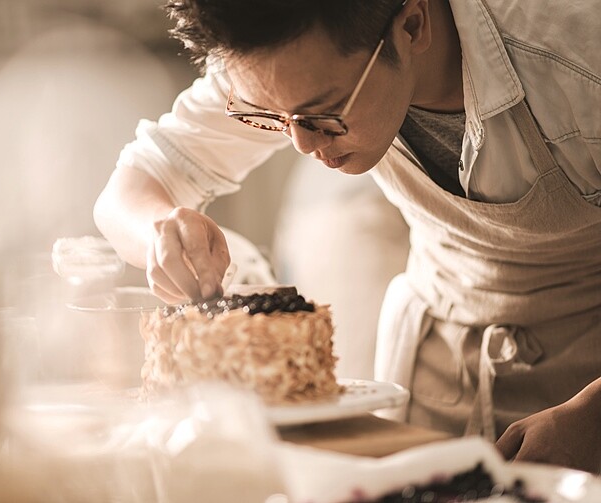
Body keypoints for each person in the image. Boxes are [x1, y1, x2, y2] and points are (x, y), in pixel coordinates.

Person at [94, 0, 601, 472]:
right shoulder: (278, 69)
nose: (303, 144)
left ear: (412, 26)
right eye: (271, 117)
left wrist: (593, 416)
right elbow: (134, 185)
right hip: (440, 370)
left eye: (324, 115)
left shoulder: (579, 62)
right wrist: (160, 232)